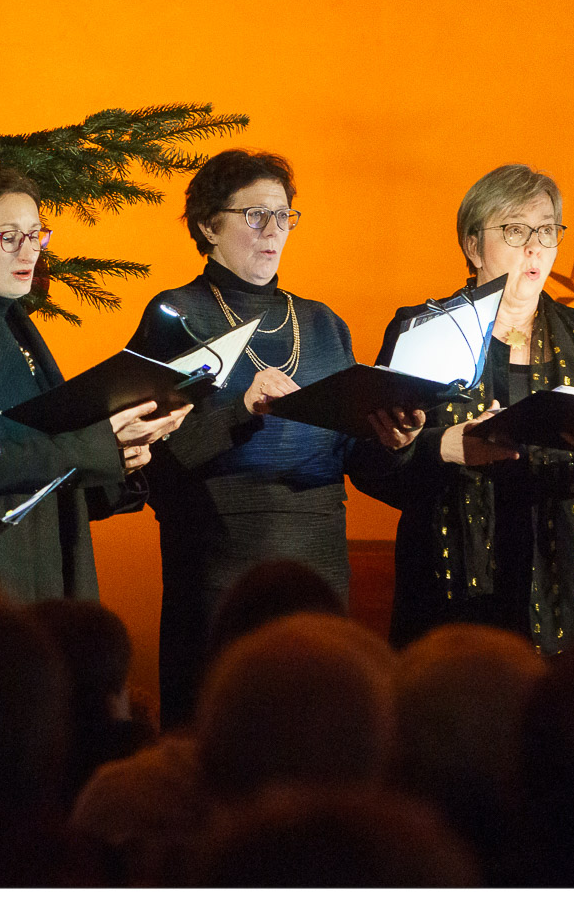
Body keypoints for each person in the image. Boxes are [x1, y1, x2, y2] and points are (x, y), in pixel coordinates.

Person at [124, 148, 408, 727]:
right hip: (219, 564)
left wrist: (392, 437)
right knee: (222, 726)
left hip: (318, 563)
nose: (273, 230)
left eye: (283, 216)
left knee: (319, 730)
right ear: (209, 226)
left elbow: (355, 459)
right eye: (255, 215)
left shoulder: (324, 323)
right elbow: (152, 459)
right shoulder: (175, 314)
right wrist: (240, 409)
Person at [352, 163, 574, 651]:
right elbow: (368, 463)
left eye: (547, 230)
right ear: (474, 246)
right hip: (450, 597)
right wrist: (443, 447)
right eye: (516, 230)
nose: (535, 247)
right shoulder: (423, 330)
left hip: (561, 591)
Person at [0, 167, 186, 603]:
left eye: (35, 235)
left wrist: (124, 453)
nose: (28, 251)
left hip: (52, 549)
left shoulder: (18, 327)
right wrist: (98, 446)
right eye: (9, 237)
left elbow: (50, 445)